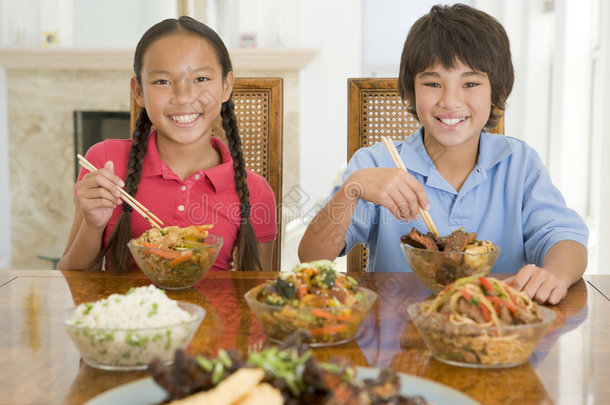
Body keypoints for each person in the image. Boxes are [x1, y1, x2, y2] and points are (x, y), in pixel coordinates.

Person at [298, 4, 588, 304]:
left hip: (495, 332)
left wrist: (555, 273)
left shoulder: (520, 164)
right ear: (410, 92)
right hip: (398, 336)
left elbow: (565, 238)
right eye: (433, 83)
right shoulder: (375, 164)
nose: (450, 101)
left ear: (497, 93)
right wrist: (351, 190)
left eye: (471, 83)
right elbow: (310, 258)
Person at [58, 16, 276, 272]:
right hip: (127, 310)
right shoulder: (105, 163)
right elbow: (72, 280)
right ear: (138, 91)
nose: (183, 97)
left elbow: (259, 292)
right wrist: (93, 226)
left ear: (227, 86)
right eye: (162, 81)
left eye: (201, 79)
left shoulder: (255, 192)